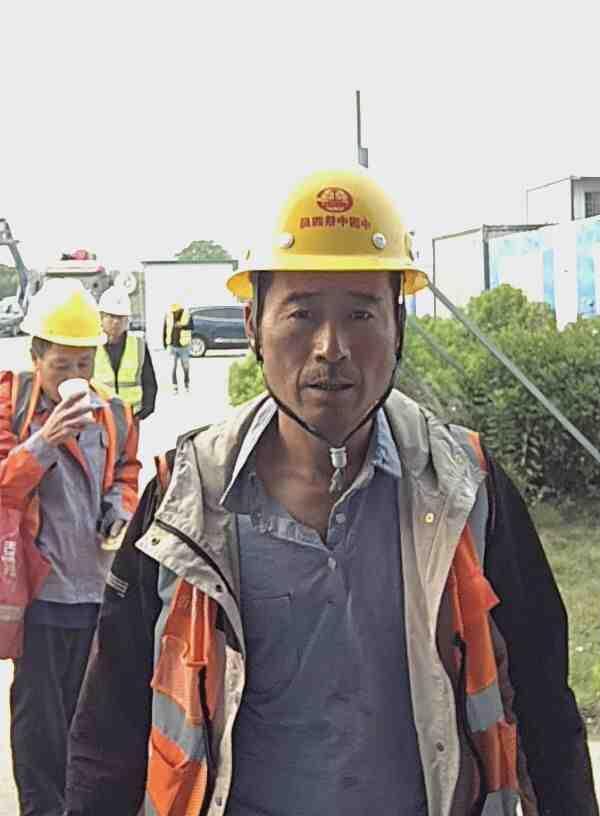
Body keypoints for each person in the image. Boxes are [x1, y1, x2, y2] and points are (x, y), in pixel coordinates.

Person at [66, 170, 598, 816]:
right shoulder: (184, 500)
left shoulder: (467, 488)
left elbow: (545, 713)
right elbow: (109, 736)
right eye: (302, 313)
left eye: (361, 313)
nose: (331, 348)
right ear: (253, 324)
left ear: (399, 324)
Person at [0, 278, 140, 816]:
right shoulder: (12, 406)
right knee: (39, 723)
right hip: (39, 595)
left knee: (91, 717)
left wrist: (118, 509)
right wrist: (46, 438)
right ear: (36, 357)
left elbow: (125, 473)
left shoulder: (114, 412)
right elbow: (5, 486)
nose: (74, 376)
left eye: (84, 363)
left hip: (94, 591)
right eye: (61, 365)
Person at [94, 285, 157, 420]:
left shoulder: (138, 345)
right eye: (111, 316)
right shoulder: (91, 345)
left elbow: (149, 381)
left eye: (120, 317)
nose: (116, 322)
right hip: (100, 417)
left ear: (127, 319)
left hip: (131, 416)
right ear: (101, 317)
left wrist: (145, 410)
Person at [162, 302, 191, 393]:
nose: (175, 313)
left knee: (185, 367)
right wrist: (165, 344)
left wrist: (182, 326)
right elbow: (165, 329)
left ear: (180, 310)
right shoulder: (168, 315)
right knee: (172, 367)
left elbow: (192, 326)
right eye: (173, 311)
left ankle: (186, 384)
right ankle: (175, 386)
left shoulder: (186, 315)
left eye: (176, 311)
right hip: (172, 346)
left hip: (184, 346)